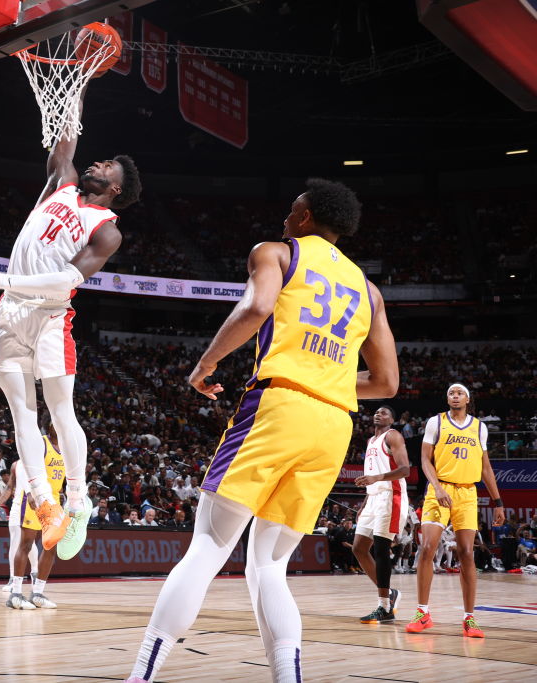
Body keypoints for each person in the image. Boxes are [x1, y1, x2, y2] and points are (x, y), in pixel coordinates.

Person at [125, 178, 399, 683]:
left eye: (293, 210)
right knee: (269, 567)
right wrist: (329, 377)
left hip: (280, 405)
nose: (286, 218)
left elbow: (256, 308)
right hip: (335, 424)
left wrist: (206, 364)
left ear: (309, 217)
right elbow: (386, 382)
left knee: (207, 548)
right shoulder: (369, 291)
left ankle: (140, 676)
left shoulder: (277, 252)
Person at [0, 102, 142, 554]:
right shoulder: (61, 184)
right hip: (10, 312)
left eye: (106, 166)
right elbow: (66, 140)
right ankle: (46, 506)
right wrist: (78, 85)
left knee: (60, 412)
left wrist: (2, 279)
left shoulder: (107, 229)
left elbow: (67, 281)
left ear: (116, 187)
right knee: (21, 413)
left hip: (49, 318)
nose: (96, 164)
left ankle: (78, 500)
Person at [405, 383, 505, 638]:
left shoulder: (478, 427)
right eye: (451, 393)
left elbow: (486, 468)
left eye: (459, 393)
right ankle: (422, 612)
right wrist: (437, 487)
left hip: (467, 493)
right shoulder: (435, 422)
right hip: (440, 490)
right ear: (447, 398)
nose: (455, 396)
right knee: (427, 547)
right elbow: (425, 459)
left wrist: (498, 502)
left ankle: (469, 619)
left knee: (467, 553)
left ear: (468, 399)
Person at [351, 405, 410, 623]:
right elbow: (371, 475)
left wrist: (377, 479)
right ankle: (389, 593)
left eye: (384, 412)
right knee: (358, 548)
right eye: (376, 411)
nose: (379, 414)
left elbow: (405, 469)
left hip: (390, 495)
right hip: (374, 497)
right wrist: (365, 501)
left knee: (381, 548)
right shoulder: (370, 441)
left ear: (392, 420)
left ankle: (384, 607)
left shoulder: (393, 436)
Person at [7, 430, 64, 610]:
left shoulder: (67, 445)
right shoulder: (41, 442)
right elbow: (24, 467)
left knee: (50, 547)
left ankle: (37, 593)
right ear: (50, 424)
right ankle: (15, 593)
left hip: (54, 500)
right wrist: (30, 492)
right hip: (35, 496)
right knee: (26, 544)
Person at [0, 457, 39, 593]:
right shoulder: (15, 464)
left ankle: (25, 576)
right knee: (19, 540)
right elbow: (9, 487)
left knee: (23, 541)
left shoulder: (38, 461)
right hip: (17, 504)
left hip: (30, 504)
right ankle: (27, 575)